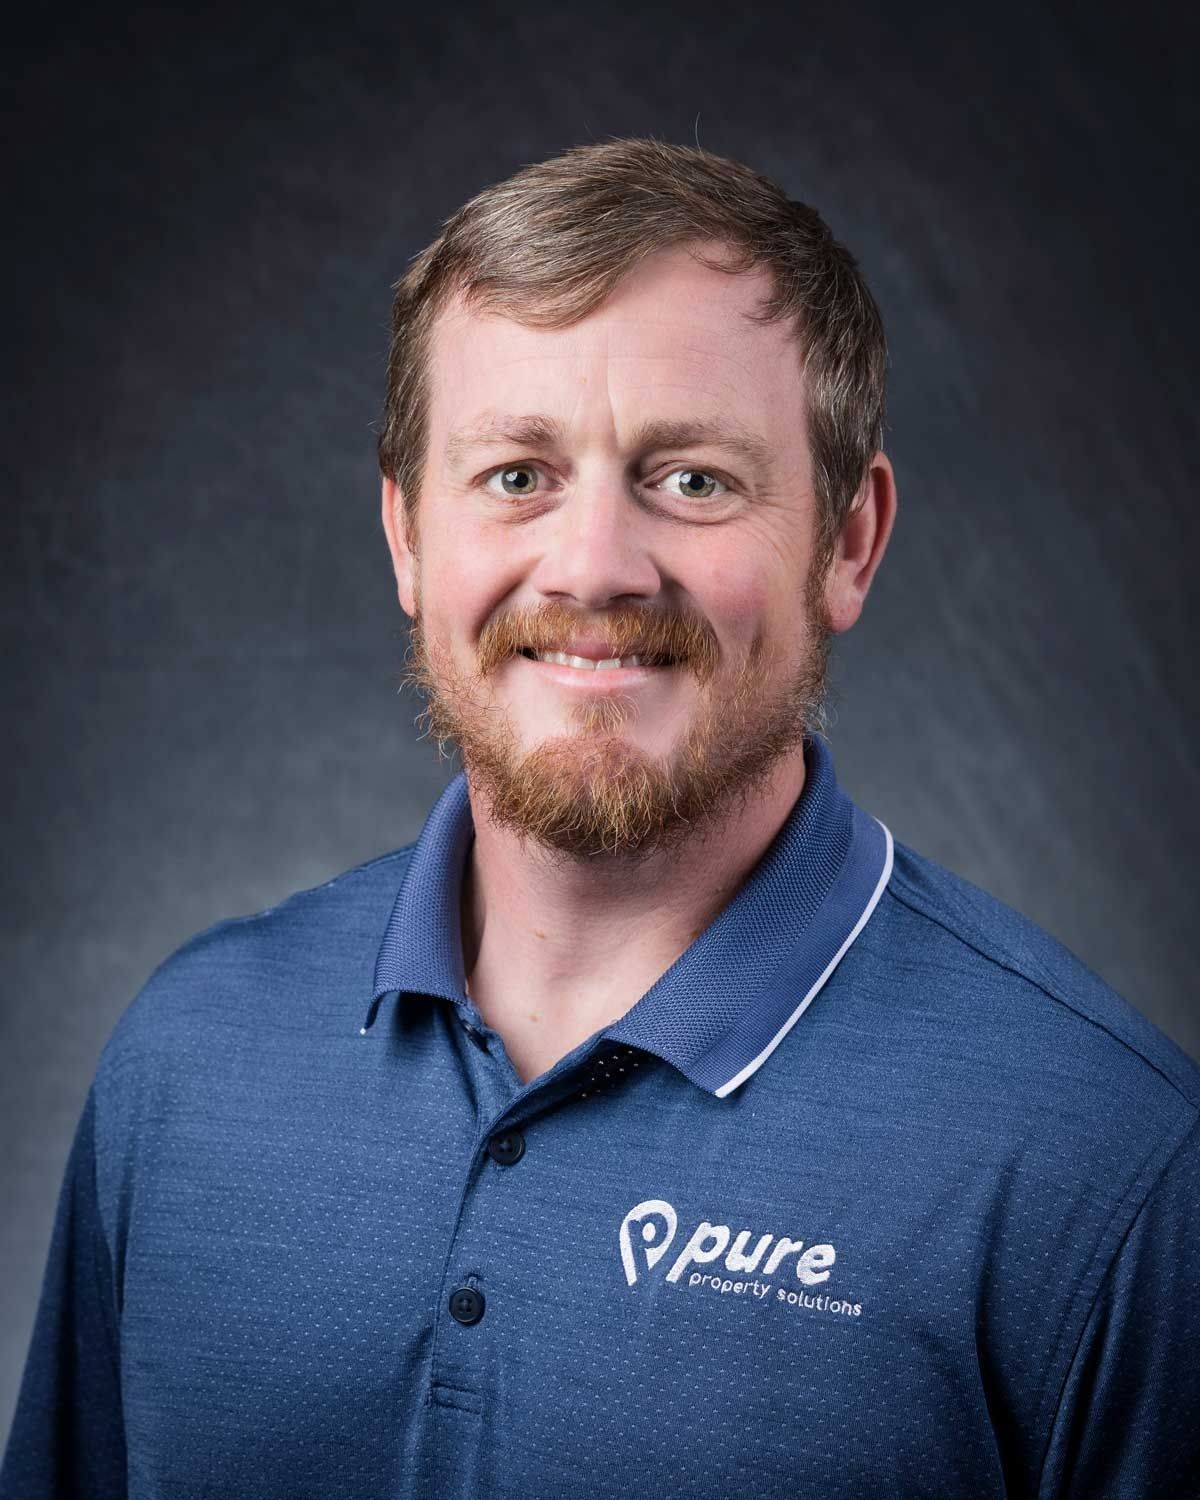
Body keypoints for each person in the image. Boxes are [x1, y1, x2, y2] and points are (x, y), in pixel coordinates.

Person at [3, 137, 1198, 1500]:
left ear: (848, 543)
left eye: (691, 480)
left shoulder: (1113, 1174)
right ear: (407, 537)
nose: (591, 566)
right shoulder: (186, 1063)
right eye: (517, 474)